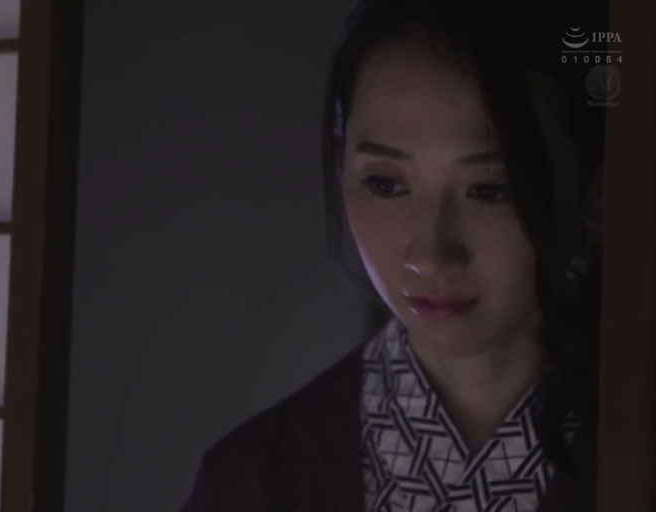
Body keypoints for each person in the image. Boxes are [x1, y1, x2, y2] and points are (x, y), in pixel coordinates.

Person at [180, 0, 605, 510]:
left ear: (595, 189)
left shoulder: (642, 445)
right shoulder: (251, 481)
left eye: (491, 190)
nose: (431, 255)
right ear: (342, 165)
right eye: (384, 183)